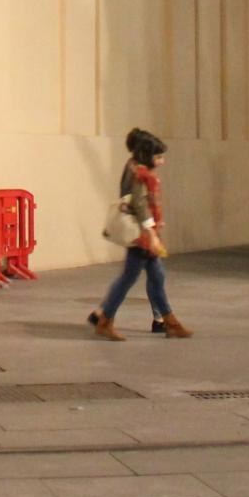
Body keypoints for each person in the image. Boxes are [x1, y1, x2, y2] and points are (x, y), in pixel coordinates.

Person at [87, 128, 191, 340]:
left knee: (154, 276)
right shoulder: (140, 174)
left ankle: (169, 322)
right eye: (158, 156)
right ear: (147, 154)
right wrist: (150, 231)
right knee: (130, 278)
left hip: (144, 233)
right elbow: (140, 203)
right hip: (141, 235)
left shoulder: (136, 168)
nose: (162, 161)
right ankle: (106, 319)